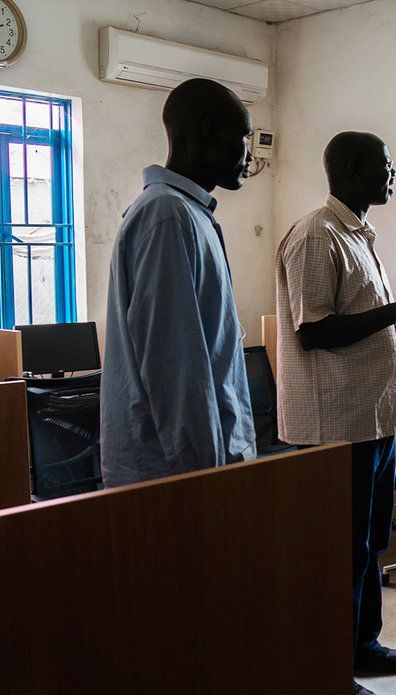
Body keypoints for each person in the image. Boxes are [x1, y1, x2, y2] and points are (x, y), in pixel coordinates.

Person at [274, 131, 396, 695]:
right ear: (353, 170)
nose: (393, 174)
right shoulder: (316, 234)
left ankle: (361, 645)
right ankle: (329, 666)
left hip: (370, 420)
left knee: (367, 543)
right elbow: (314, 333)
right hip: (335, 429)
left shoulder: (357, 235)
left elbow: (358, 338)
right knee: (337, 549)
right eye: (385, 165)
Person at [100, 78, 257, 487]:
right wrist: (203, 477)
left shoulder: (187, 211)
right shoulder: (167, 215)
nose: (249, 154)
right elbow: (175, 366)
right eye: (243, 138)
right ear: (206, 130)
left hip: (194, 462)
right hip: (175, 473)